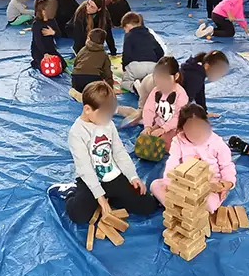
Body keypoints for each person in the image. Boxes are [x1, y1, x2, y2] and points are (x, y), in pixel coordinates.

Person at [49, 81, 159, 224]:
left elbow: (119, 152)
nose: (107, 119)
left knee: (148, 205)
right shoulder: (77, 133)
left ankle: (113, 196)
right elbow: (85, 167)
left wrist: (133, 176)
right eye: (103, 115)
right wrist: (99, 196)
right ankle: (70, 192)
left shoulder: (108, 124)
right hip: (89, 179)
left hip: (112, 176)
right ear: (87, 109)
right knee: (79, 216)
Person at [150, 104, 235, 213]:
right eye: (190, 128)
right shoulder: (178, 141)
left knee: (209, 204)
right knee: (155, 185)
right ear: (182, 128)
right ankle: (178, 210)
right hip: (184, 184)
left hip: (209, 186)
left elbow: (227, 166)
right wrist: (168, 183)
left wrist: (228, 183)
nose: (196, 132)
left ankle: (184, 209)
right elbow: (172, 161)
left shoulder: (217, 143)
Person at [140, 56, 188, 144]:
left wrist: (163, 129)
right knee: (143, 140)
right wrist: (148, 127)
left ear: (176, 76)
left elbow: (178, 117)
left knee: (164, 143)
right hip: (160, 123)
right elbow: (148, 109)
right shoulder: (156, 90)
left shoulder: (181, 94)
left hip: (176, 126)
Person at [120, 12, 164, 93]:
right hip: (152, 67)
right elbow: (160, 52)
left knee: (124, 83)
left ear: (129, 25)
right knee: (152, 82)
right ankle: (150, 86)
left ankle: (134, 87)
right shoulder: (149, 35)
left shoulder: (129, 36)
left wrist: (124, 68)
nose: (125, 31)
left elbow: (126, 54)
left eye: (125, 27)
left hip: (136, 67)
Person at [180, 51, 230, 115]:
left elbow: (200, 94)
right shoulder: (195, 77)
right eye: (219, 72)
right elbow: (183, 104)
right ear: (207, 66)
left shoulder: (198, 70)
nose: (219, 76)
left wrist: (204, 113)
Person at [71, 29, 114, 93]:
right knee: (95, 91)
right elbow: (107, 72)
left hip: (77, 78)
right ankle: (89, 95)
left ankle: (78, 92)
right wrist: (110, 87)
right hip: (93, 79)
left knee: (79, 88)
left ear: (88, 38)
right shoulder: (103, 54)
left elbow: (76, 63)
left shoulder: (83, 50)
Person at [31, 0, 64, 74]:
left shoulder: (52, 20)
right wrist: (45, 53)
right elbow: (37, 41)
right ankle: (35, 62)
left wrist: (53, 32)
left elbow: (59, 34)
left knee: (62, 65)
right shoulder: (36, 24)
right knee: (45, 67)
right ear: (43, 11)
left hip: (50, 48)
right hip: (39, 50)